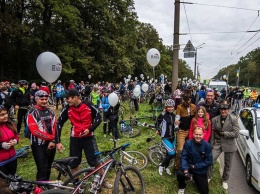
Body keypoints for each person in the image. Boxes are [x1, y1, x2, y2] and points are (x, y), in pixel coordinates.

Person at [55, 89, 112, 189]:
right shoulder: (67, 108)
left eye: (68, 98)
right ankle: (77, 183)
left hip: (89, 137)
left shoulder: (89, 105)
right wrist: (57, 141)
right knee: (74, 161)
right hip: (75, 138)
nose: (66, 100)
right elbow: (59, 123)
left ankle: (103, 180)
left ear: (76, 97)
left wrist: (90, 129)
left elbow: (98, 118)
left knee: (95, 161)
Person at [26, 90, 57, 181]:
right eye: (41, 99)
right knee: (42, 168)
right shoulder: (32, 112)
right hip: (38, 144)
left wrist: (53, 140)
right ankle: (40, 189)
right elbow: (35, 131)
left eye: (46, 99)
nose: (44, 101)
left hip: (51, 143)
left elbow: (55, 126)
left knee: (48, 166)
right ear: (36, 99)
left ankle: (46, 186)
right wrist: (51, 138)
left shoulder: (51, 111)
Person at [210, 99, 239, 190]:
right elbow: (213, 134)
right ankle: (209, 176)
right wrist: (211, 145)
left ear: (228, 109)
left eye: (225, 109)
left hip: (229, 144)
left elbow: (236, 134)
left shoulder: (233, 119)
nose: (223, 111)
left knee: (228, 164)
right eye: (221, 109)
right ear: (219, 110)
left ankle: (225, 180)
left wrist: (223, 133)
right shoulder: (215, 119)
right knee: (210, 159)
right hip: (218, 143)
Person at [177, 127, 213, 194]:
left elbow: (209, 161)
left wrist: (195, 166)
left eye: (200, 134)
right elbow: (183, 156)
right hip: (188, 167)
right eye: (196, 134)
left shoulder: (207, 145)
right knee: (180, 173)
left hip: (200, 170)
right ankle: (182, 186)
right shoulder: (188, 143)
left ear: (203, 135)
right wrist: (185, 171)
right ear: (193, 134)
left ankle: (194, 178)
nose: (198, 136)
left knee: (205, 191)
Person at [175, 92, 196, 170]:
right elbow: (177, 118)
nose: (186, 101)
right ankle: (178, 165)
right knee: (180, 149)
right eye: (185, 99)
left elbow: (196, 117)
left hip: (191, 130)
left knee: (190, 149)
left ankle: (188, 165)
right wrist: (176, 126)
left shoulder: (193, 106)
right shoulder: (179, 107)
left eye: (188, 99)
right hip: (182, 131)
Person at [156, 99, 176, 176]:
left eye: (172, 107)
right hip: (165, 137)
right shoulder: (163, 115)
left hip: (173, 137)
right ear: (166, 107)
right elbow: (157, 123)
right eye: (169, 107)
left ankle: (166, 167)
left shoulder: (174, 116)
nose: (170, 108)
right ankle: (161, 165)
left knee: (168, 154)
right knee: (172, 154)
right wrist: (158, 130)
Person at [0, 106, 19, 177]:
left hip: (12, 158)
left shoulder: (10, 124)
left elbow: (16, 136)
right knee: (4, 184)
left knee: (12, 179)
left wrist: (15, 141)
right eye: (2, 115)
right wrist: (1, 145)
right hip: (1, 162)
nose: (5, 116)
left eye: (6, 114)